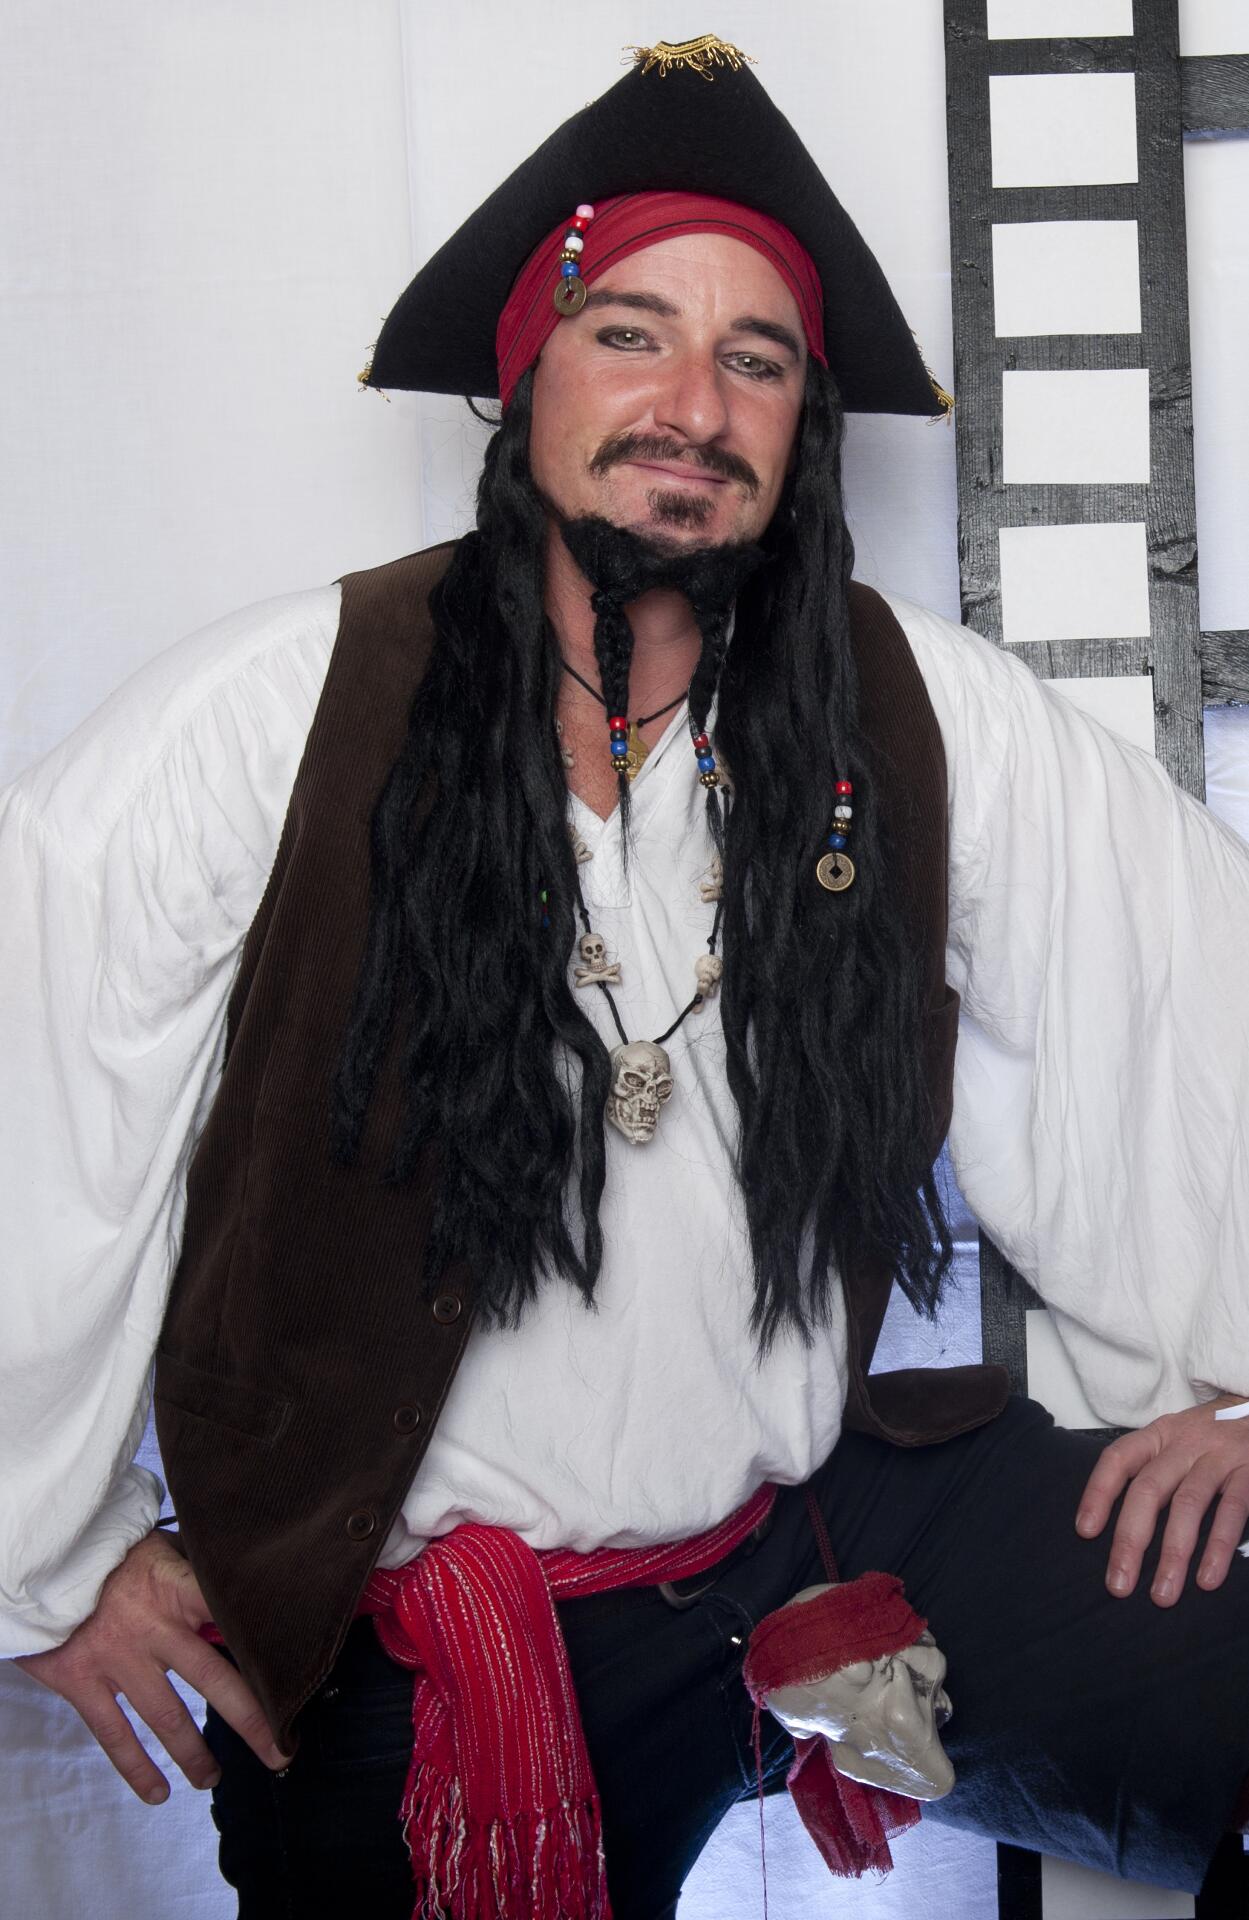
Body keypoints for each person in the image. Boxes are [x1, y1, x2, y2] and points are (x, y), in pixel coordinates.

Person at [4, 32, 1249, 1919]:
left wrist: (1229, 1389)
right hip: (423, 1634)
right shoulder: (278, 713)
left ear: (799, 421)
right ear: (529, 380)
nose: (692, 403)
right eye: (629, 334)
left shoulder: (908, 713)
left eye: (755, 359)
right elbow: (34, 1091)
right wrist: (41, 1552)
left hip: (799, 1537)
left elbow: (1168, 996)